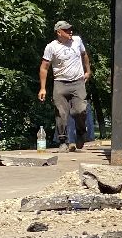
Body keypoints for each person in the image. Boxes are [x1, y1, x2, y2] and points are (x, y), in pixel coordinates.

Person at [38, 20, 90, 152]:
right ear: (59, 32)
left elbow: (84, 56)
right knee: (61, 113)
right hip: (60, 83)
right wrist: (43, 88)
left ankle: (81, 132)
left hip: (78, 82)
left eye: (70, 29)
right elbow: (44, 68)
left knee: (80, 110)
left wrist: (88, 71)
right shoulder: (51, 47)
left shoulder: (77, 41)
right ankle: (63, 141)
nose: (70, 32)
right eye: (66, 30)